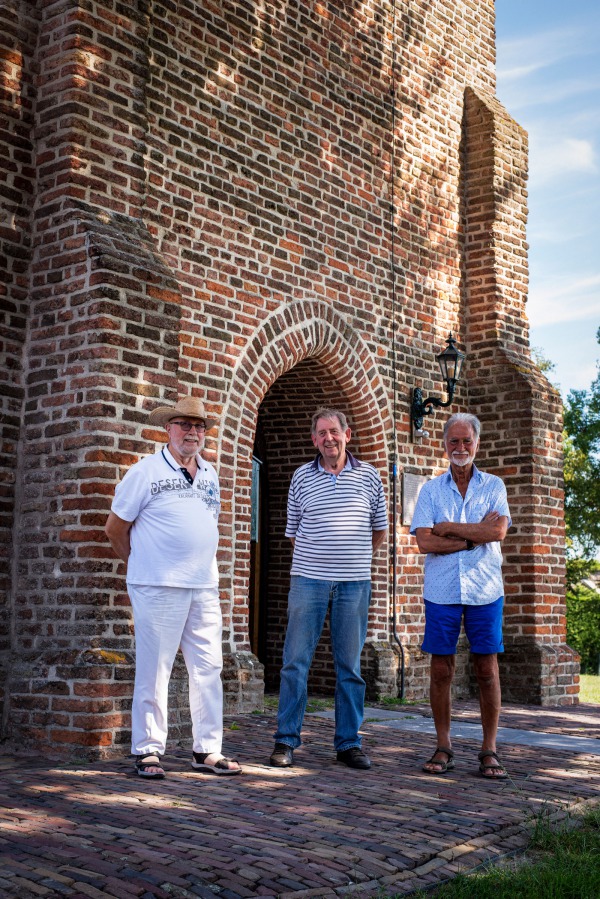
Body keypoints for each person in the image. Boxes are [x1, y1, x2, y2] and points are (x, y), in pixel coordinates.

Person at [105, 395, 241, 779]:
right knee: (156, 668)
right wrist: (142, 565)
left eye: (199, 427)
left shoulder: (210, 474)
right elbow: (115, 529)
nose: (192, 432)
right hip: (157, 585)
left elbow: (206, 524)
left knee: (208, 668)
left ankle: (207, 750)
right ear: (168, 429)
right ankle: (147, 750)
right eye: (184, 425)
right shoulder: (144, 471)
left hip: (203, 586)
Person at [269, 408, 388, 770]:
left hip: (354, 584)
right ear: (314, 440)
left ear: (347, 434)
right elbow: (293, 532)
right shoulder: (301, 477)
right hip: (308, 581)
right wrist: (319, 560)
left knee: (349, 666)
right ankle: (285, 741)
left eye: (333, 432)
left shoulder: (370, 477)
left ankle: (349, 743)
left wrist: (350, 560)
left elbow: (379, 530)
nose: (328, 439)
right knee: (295, 663)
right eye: (321, 434)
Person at [410, 412, 511, 780]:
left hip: (485, 590)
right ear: (444, 444)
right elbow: (424, 541)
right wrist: (474, 535)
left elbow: (498, 531)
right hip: (442, 590)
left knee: (487, 669)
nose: (460, 447)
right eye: (453, 441)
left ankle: (489, 749)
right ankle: (443, 745)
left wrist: (450, 529)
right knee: (441, 669)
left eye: (466, 440)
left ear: (477, 443)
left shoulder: (494, 485)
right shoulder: (431, 490)